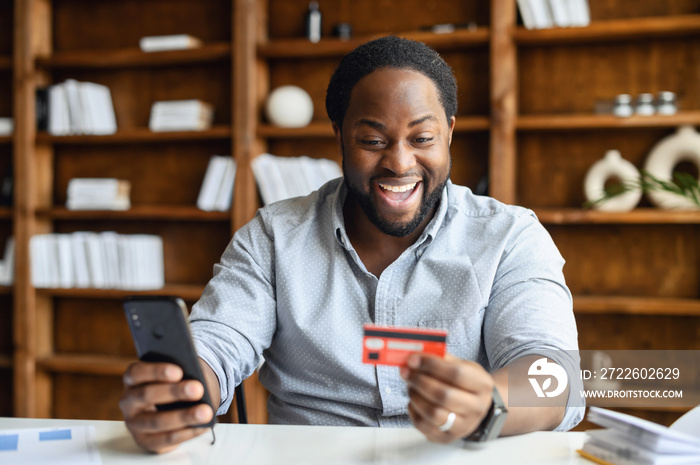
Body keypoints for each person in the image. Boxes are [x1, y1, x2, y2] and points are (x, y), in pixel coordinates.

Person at [120, 36, 583, 453]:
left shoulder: (509, 237)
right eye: (372, 140)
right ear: (339, 137)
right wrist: (179, 393)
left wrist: (491, 402)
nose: (400, 163)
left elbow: (554, 377)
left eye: (422, 138)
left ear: (450, 133)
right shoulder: (274, 237)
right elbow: (219, 341)